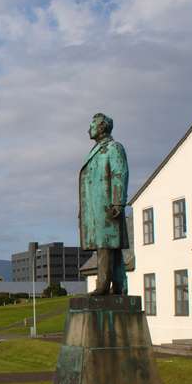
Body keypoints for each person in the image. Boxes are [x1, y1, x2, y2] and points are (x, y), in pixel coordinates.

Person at [78, 113, 129, 295]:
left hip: (107, 205)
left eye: (92, 125)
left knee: (106, 245)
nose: (88, 129)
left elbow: (119, 174)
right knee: (109, 247)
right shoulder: (98, 150)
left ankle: (103, 284)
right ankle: (119, 287)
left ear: (101, 127)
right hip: (94, 208)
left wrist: (118, 202)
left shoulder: (113, 148)